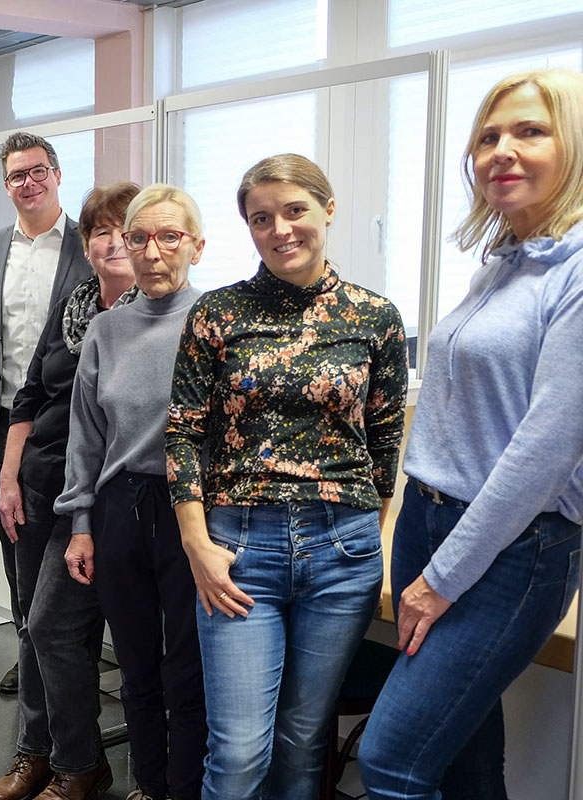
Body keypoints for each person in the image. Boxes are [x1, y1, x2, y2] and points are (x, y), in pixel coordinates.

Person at [359, 69, 583, 800]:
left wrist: (442, 578)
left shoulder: (574, 272)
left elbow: (546, 449)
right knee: (465, 756)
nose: (501, 151)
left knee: (391, 758)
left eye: (529, 131)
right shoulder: (503, 265)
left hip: (514, 546)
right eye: (488, 137)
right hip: (434, 517)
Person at [164, 154, 408, 798]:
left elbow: (384, 438)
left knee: (303, 742)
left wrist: (365, 533)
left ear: (328, 210)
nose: (281, 230)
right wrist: (197, 544)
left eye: (295, 211)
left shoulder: (374, 317)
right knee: (241, 750)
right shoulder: (218, 314)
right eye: (261, 218)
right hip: (238, 550)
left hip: (343, 551)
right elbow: (184, 432)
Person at [0, 182, 139, 800]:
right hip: (38, 482)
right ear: (86, 242)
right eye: (101, 230)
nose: (115, 241)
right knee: (31, 626)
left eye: (127, 229)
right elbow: (29, 396)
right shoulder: (75, 303)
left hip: (100, 496)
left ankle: (79, 761)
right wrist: (7, 477)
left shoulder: (152, 316)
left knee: (51, 625)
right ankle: (38, 753)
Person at [55, 184, 208, 800]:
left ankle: (187, 787)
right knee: (137, 668)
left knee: (188, 670)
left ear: (196, 245)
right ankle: (148, 783)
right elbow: (85, 437)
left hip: (193, 512)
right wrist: (81, 524)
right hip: (121, 511)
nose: (151, 251)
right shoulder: (105, 330)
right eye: (138, 238)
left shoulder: (217, 322)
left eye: (169, 237)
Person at [0, 131, 93, 694]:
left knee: (67, 552)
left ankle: (67, 657)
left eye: (38, 171)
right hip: (2, 426)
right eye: (17, 176)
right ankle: (29, 652)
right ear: (6, 184)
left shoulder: (92, 245)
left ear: (57, 174)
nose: (28, 183)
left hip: (70, 426)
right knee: (17, 551)